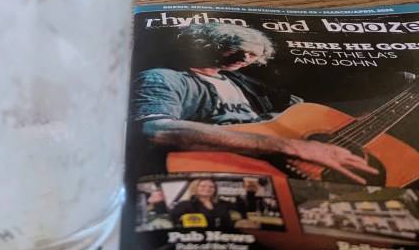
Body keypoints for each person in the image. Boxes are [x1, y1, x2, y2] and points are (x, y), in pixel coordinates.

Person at [131, 23, 378, 184]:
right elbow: (154, 130)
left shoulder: (243, 81)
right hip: (222, 166)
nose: (244, 58)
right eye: (235, 49)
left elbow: (302, 107)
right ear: (204, 45)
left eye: (252, 55)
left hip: (274, 163)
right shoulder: (163, 78)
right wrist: (292, 147)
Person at [171, 177, 235, 231]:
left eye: (211, 187)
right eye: (203, 186)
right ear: (195, 188)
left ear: (215, 190)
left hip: (219, 238)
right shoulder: (184, 205)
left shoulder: (221, 206)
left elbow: (228, 224)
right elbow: (173, 221)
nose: (207, 188)